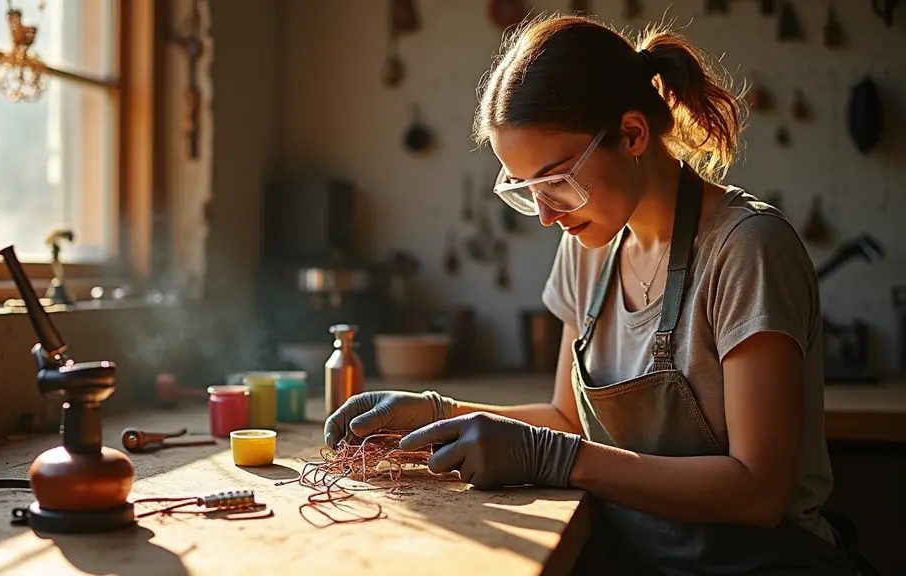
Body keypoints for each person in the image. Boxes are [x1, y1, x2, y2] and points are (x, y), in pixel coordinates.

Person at [324, 13, 861, 575]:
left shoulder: (747, 248)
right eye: (526, 189)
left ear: (632, 134)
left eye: (556, 181)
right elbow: (567, 418)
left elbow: (756, 491)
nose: (545, 214)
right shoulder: (588, 250)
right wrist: (439, 415)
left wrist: (556, 458)